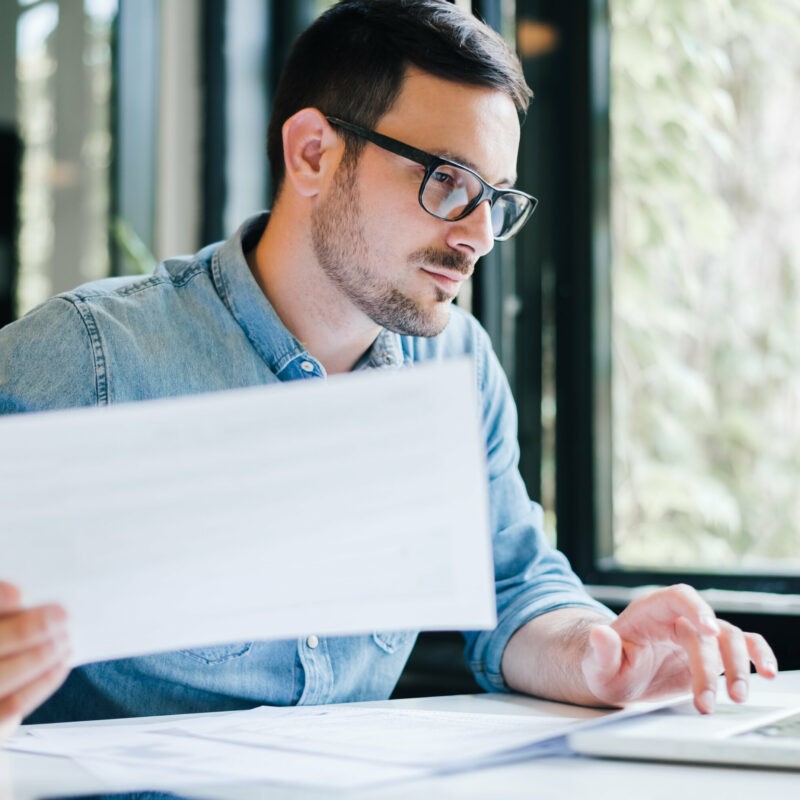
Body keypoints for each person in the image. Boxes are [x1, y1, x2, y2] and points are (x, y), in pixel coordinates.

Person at [0, 0, 776, 737]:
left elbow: (510, 584)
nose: (477, 234)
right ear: (313, 153)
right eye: (447, 180)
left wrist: (602, 655)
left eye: (496, 199)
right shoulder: (88, 359)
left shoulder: (455, 364)